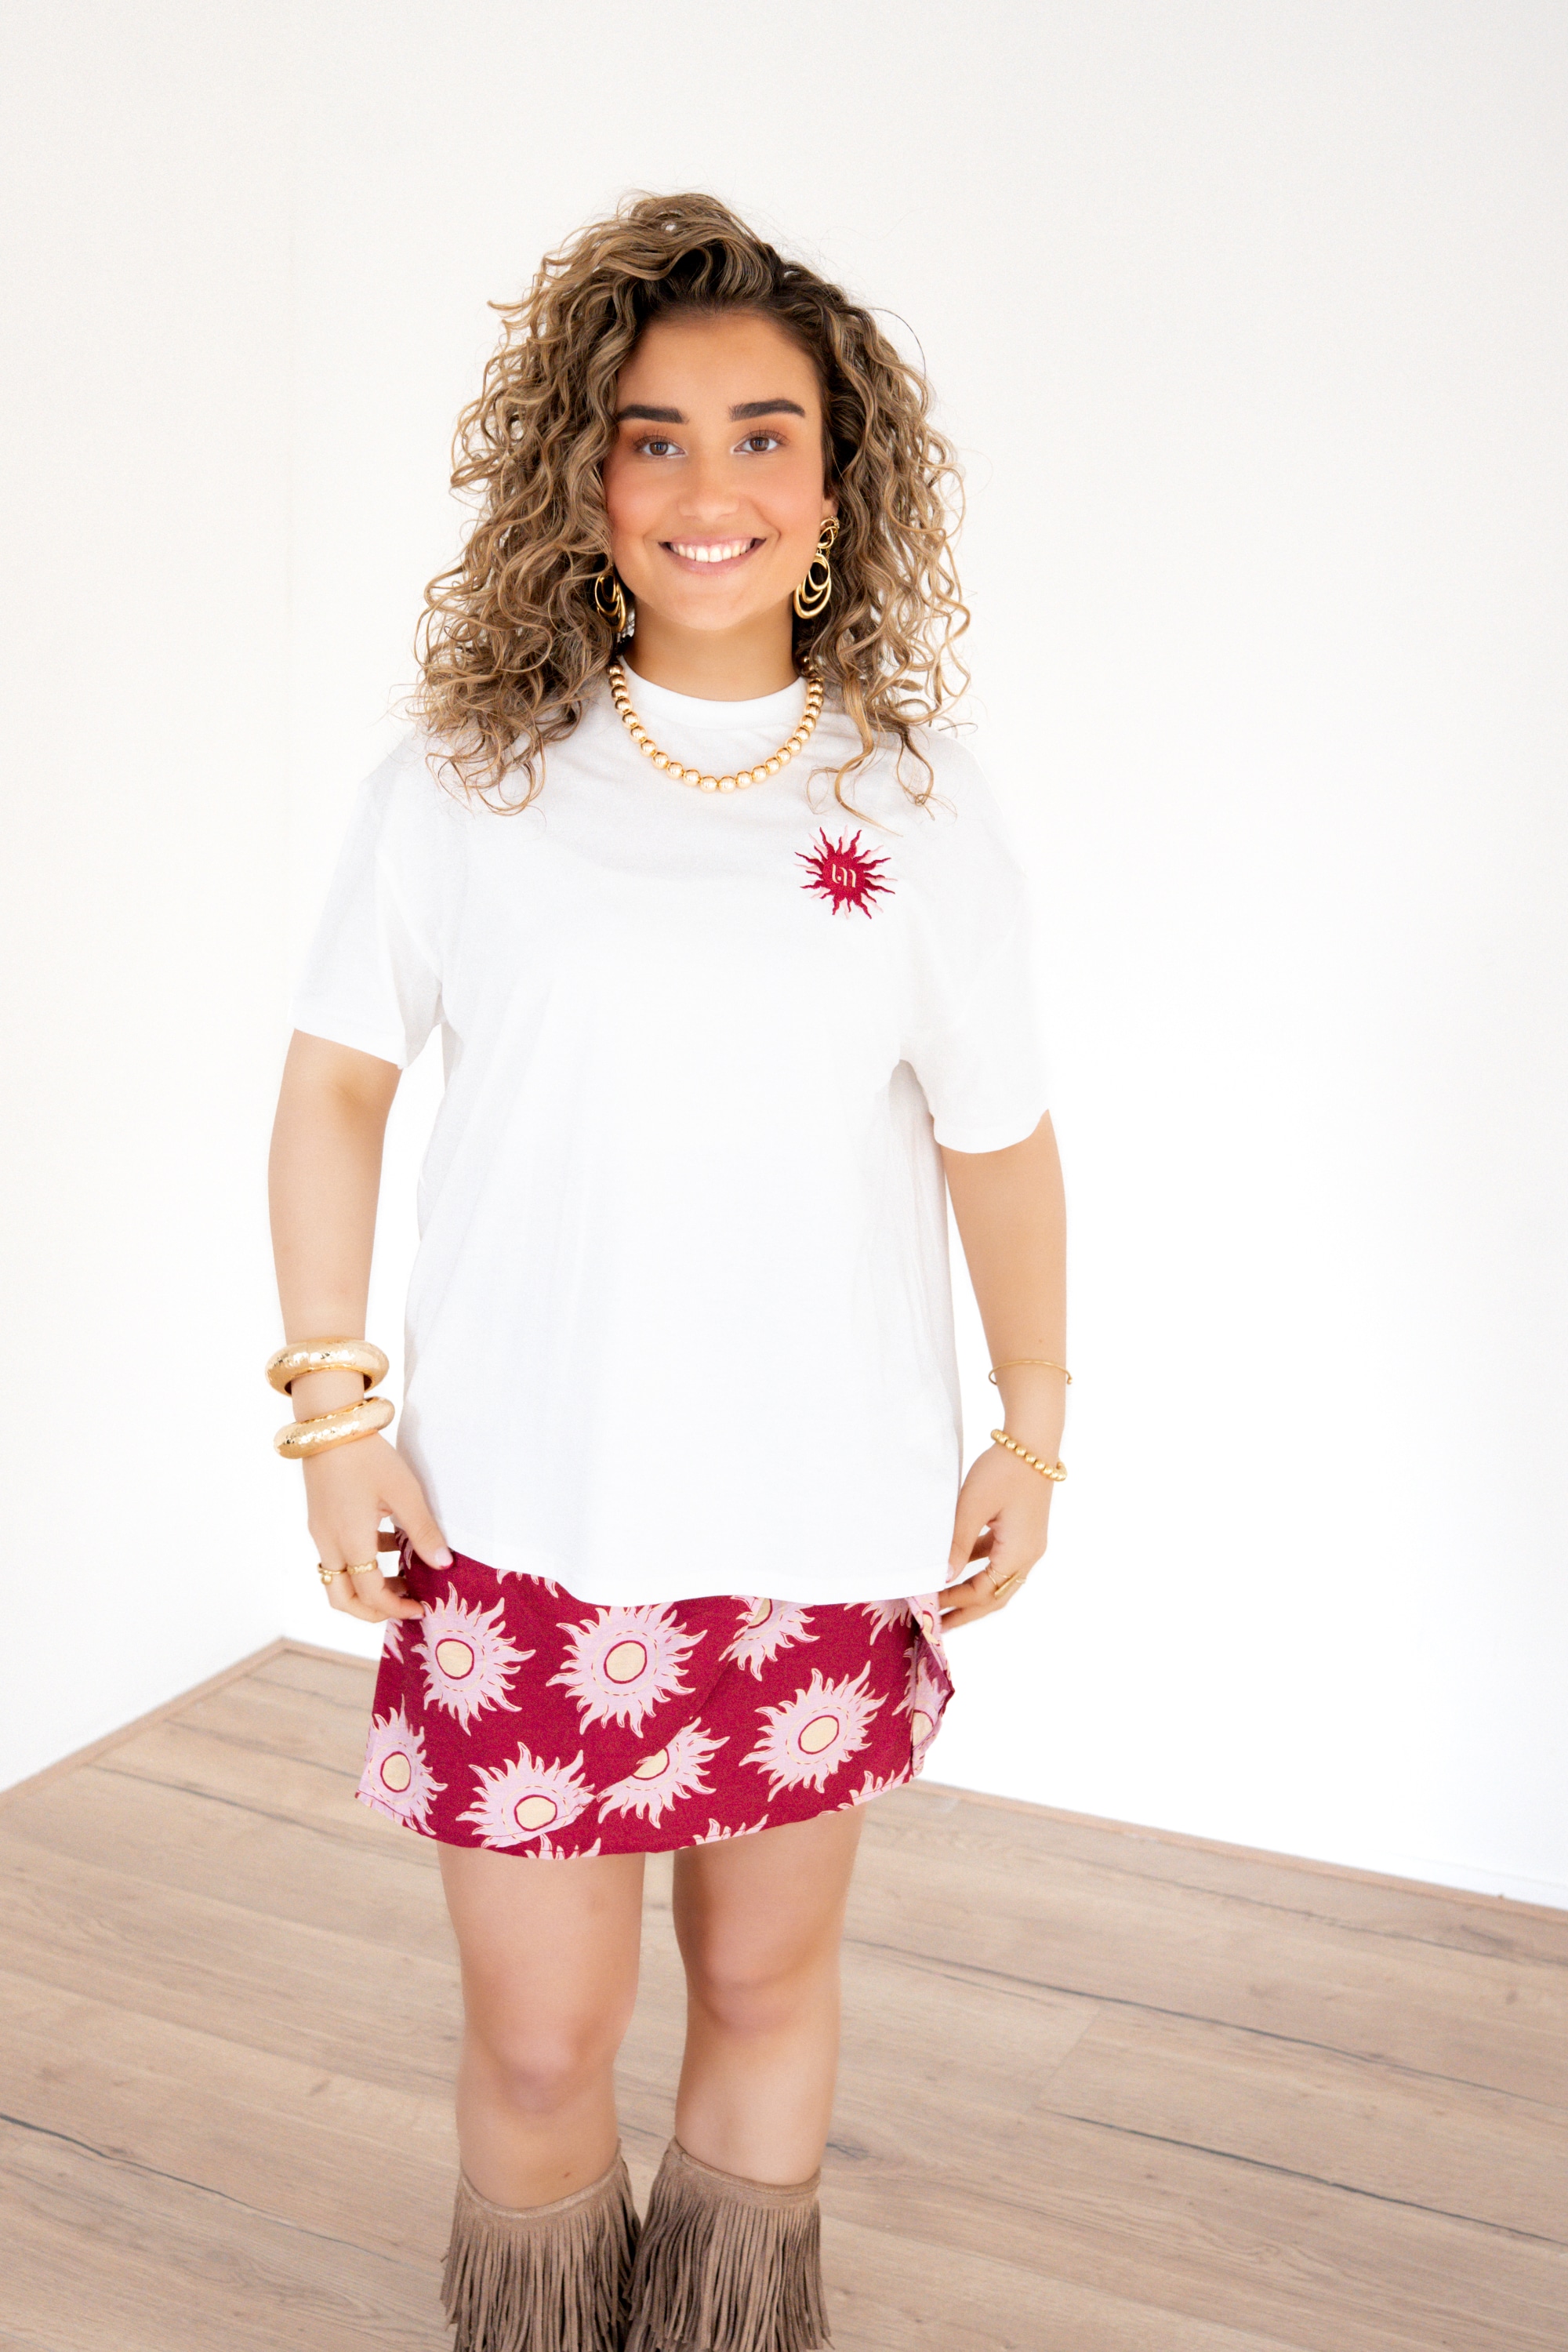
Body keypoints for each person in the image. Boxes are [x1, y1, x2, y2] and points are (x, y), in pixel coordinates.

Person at [267, 191, 1067, 2352]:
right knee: (540, 2043)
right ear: (585, 479)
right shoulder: (468, 785)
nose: (709, 485)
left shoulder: (916, 806)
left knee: (764, 1986)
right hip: (518, 1529)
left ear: (835, 483)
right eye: (654, 437)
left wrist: (1034, 1428)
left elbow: (998, 1140)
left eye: (761, 434)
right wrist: (333, 1412)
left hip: (818, 1529)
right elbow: (334, 1086)